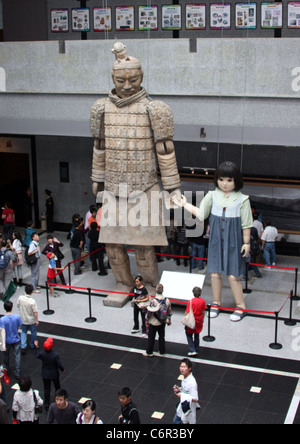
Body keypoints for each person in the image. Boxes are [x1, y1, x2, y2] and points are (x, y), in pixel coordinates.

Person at [90, 42, 181, 307]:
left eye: (133, 79)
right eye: (121, 80)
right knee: (113, 246)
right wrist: (97, 176)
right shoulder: (101, 109)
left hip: (146, 185)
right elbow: (100, 145)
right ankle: (123, 283)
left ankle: (150, 284)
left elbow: (165, 150)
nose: (127, 85)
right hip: (114, 185)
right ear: (113, 78)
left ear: (141, 77)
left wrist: (173, 186)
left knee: (143, 247)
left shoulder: (156, 109)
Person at [173, 161, 253, 322]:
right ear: (216, 179)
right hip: (216, 241)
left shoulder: (243, 200)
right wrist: (185, 204)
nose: (225, 183)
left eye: (229, 180)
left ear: (236, 180)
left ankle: (241, 306)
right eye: (222, 179)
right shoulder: (211, 196)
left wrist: (246, 242)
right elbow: (201, 214)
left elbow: (246, 223)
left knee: (232, 275)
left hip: (234, 242)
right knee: (215, 274)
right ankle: (216, 303)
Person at [35, 338, 65, 410]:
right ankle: (59, 399)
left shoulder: (42, 354)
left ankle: (46, 404)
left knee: (47, 389)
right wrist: (62, 369)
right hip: (54, 374)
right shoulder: (55, 355)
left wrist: (37, 347)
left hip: (45, 374)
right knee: (57, 387)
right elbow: (59, 364)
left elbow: (37, 355)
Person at [143, 283, 172, 357]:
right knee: (161, 336)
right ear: (163, 290)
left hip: (154, 322)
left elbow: (150, 312)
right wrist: (169, 319)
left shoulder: (153, 301)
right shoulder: (167, 300)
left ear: (156, 290)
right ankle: (162, 351)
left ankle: (149, 352)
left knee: (151, 337)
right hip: (163, 321)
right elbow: (169, 311)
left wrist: (147, 320)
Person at [173, 358, 200, 425]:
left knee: (177, 421)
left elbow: (196, 399)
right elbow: (186, 389)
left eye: (184, 367)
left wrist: (182, 395)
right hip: (184, 405)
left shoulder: (192, 382)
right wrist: (179, 389)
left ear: (189, 368)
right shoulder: (185, 377)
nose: (182, 369)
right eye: (181, 367)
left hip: (189, 407)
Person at [0, 301, 22, 379]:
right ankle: (17, 372)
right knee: (17, 355)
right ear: (12, 307)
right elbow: (19, 326)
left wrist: (3, 344)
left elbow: (2, 331)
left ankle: (7, 368)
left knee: (6, 356)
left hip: (6, 340)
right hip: (15, 339)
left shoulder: (2, 319)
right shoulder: (16, 317)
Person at [184, 287, 207, 356]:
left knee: (189, 334)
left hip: (191, 320)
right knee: (197, 334)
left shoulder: (190, 301)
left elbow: (187, 312)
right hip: (199, 320)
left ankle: (192, 349)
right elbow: (203, 311)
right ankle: (196, 349)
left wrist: (185, 319)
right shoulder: (202, 301)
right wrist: (202, 319)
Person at [17, 284, 39, 353]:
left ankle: (23, 346)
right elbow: (35, 312)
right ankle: (32, 345)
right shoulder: (32, 301)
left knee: (23, 332)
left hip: (23, 319)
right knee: (33, 332)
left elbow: (18, 305)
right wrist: (36, 320)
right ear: (32, 291)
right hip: (31, 320)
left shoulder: (20, 298)